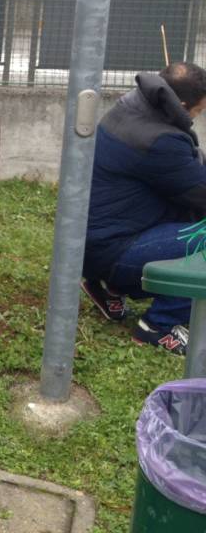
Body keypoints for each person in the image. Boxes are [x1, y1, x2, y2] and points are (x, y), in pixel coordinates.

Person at [83, 62, 206, 355]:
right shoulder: (160, 141)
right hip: (115, 250)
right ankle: (160, 325)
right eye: (200, 111)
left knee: (186, 214)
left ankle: (109, 287)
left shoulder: (130, 109)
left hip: (93, 245)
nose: (199, 116)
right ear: (184, 105)